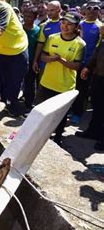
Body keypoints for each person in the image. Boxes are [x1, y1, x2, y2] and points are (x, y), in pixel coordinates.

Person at [36, 12, 85, 145]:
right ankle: (41, 136)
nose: (65, 26)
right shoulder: (52, 38)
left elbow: (77, 66)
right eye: (63, 23)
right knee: (42, 111)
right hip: (47, 82)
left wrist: (60, 60)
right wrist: (51, 58)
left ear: (76, 27)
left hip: (65, 85)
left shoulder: (80, 44)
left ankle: (58, 138)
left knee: (60, 116)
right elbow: (43, 56)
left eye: (70, 24)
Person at [71, 0, 102, 124]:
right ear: (84, 10)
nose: (92, 10)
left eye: (96, 8)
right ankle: (69, 109)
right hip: (75, 62)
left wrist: (91, 66)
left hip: (88, 66)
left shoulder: (100, 27)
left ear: (99, 11)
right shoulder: (79, 24)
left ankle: (77, 113)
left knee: (82, 90)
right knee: (71, 87)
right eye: (90, 7)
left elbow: (99, 49)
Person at [76, 25, 104, 151]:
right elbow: (97, 53)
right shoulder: (103, 38)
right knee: (97, 105)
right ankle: (93, 131)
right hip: (98, 76)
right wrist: (88, 67)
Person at [32, 1, 62, 74]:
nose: (49, 13)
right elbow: (40, 44)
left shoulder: (66, 24)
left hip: (62, 63)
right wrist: (35, 60)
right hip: (45, 63)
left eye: (52, 10)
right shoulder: (44, 25)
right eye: (48, 10)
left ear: (59, 9)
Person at [22, 7, 41, 111]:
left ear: (35, 18)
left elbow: (39, 46)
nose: (27, 18)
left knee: (30, 83)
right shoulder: (19, 28)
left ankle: (28, 104)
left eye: (29, 16)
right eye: (25, 16)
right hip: (19, 61)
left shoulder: (38, 30)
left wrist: (35, 61)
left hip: (32, 61)